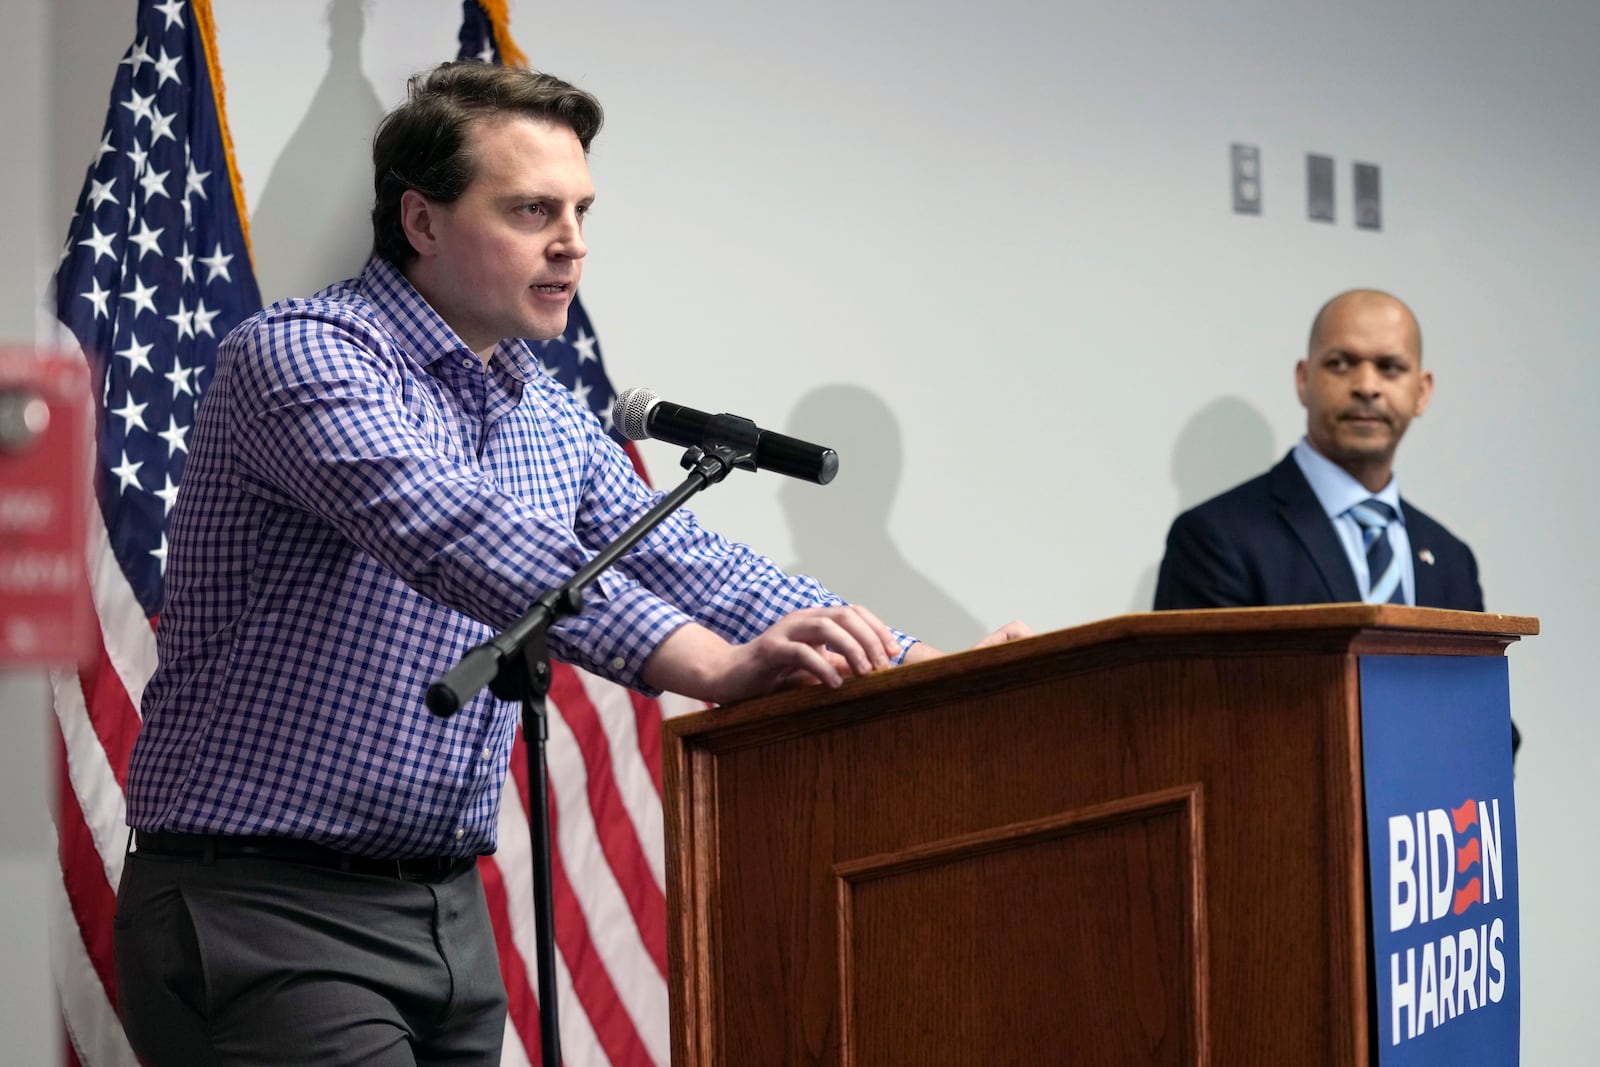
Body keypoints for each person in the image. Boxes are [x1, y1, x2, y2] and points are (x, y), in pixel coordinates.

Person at [114, 61, 1028, 1065]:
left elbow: (694, 565)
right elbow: (454, 530)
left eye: (581, 210)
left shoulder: (540, 406)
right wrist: (710, 668)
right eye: (532, 209)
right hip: (264, 905)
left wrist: (937, 674)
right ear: (422, 222)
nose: (572, 243)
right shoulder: (300, 356)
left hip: (445, 912)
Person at [1152, 289, 1517, 749]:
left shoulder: (1448, 556)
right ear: (1304, 380)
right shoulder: (1216, 537)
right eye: (1341, 363)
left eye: (1390, 367)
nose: (1367, 385)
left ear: (1421, 392)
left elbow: (1489, 727)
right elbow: (1195, 725)